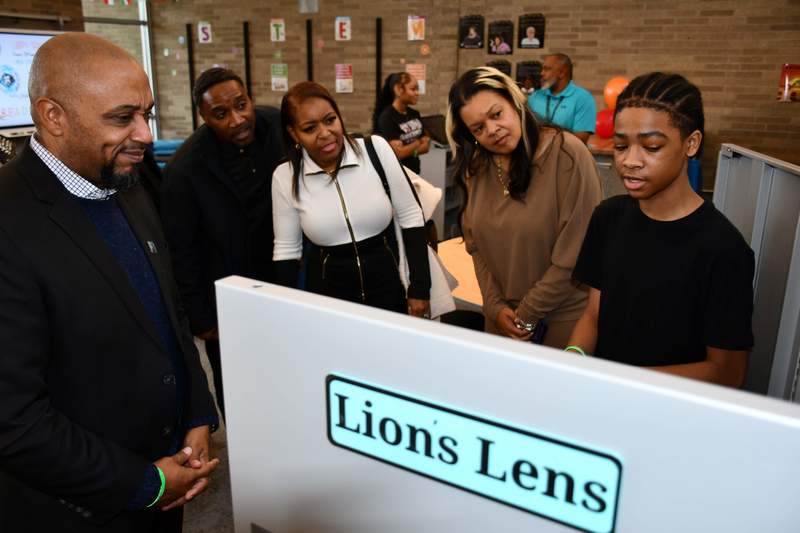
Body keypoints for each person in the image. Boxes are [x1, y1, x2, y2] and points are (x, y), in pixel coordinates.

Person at [0, 33, 219, 532]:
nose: (145, 134)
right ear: (53, 116)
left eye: (147, 113)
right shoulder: (8, 220)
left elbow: (168, 311)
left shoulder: (125, 179)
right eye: (123, 118)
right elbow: (13, 418)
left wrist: (197, 413)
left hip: (168, 480)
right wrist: (144, 484)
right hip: (76, 509)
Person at [567, 72, 753, 387]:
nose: (630, 161)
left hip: (671, 406)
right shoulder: (608, 217)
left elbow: (727, 372)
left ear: (691, 144)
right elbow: (594, 315)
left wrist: (621, 382)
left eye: (651, 146)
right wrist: (573, 358)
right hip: (603, 395)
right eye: (621, 145)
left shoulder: (723, 248)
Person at [446, 66, 602, 347]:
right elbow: (476, 247)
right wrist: (494, 307)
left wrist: (527, 313)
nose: (492, 130)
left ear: (515, 102)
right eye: (478, 128)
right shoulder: (477, 168)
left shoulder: (567, 154)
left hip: (562, 318)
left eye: (496, 114)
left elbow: (575, 253)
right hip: (502, 319)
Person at [161, 67, 285, 420]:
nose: (237, 119)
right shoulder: (184, 171)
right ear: (204, 117)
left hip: (284, 283)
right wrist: (201, 319)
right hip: (229, 295)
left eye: (241, 105)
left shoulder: (276, 126)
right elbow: (181, 251)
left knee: (287, 375)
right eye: (220, 113)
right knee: (239, 387)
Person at [272, 81, 431, 317]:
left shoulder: (375, 149)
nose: (325, 133)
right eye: (310, 128)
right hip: (327, 298)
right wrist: (286, 310)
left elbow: (411, 215)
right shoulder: (285, 176)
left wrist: (420, 287)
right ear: (294, 133)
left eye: (330, 120)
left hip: (388, 286)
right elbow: (287, 250)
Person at [528, 53, 596, 144]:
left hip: (567, 153)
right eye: (542, 69)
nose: (542, 73)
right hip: (536, 152)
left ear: (561, 73)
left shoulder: (584, 98)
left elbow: (580, 141)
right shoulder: (535, 96)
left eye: (547, 69)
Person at [373, 72, 430, 174]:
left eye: (417, 89)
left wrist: (410, 150)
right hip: (397, 174)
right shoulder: (387, 117)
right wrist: (417, 143)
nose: (417, 93)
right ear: (398, 90)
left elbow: (426, 146)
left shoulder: (414, 114)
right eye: (413, 89)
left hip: (415, 172)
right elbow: (398, 154)